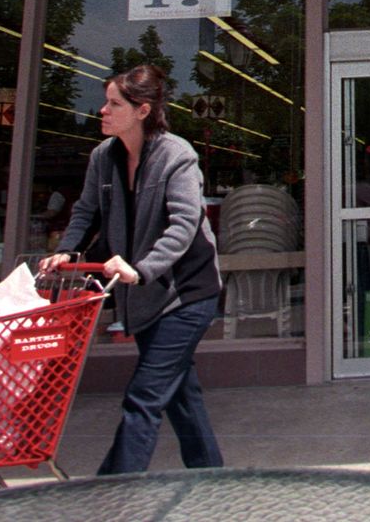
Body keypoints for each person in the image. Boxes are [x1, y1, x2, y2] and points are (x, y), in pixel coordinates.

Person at [40, 64, 224, 474]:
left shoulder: (177, 156)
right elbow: (87, 211)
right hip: (143, 299)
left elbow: (184, 225)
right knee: (180, 396)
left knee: (144, 398)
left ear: (142, 110)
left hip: (187, 294)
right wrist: (67, 251)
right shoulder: (103, 158)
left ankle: (113, 493)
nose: (102, 111)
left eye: (113, 104)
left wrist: (141, 269)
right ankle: (213, 478)